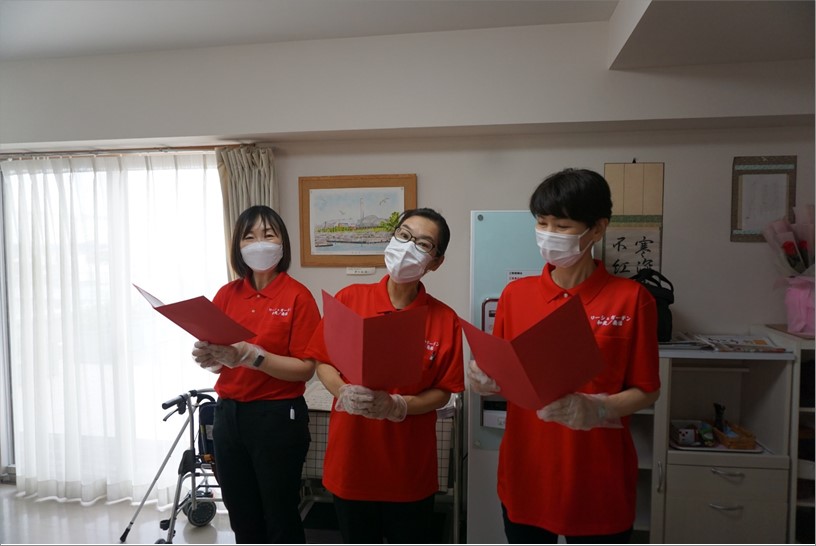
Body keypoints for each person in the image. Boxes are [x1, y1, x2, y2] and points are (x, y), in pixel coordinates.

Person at [469, 168, 661, 544]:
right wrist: (483, 378)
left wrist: (599, 408)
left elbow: (648, 390)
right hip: (527, 472)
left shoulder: (631, 299)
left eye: (562, 225)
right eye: (542, 223)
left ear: (598, 228)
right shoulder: (515, 295)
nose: (549, 234)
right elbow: (506, 374)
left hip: (597, 478)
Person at [305, 207, 465, 544]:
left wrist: (399, 406)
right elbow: (323, 362)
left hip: (408, 470)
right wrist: (342, 390)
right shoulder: (350, 299)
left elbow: (444, 391)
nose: (408, 247)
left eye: (423, 244)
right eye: (404, 235)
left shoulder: (444, 318)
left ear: (436, 262)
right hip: (352, 462)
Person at [191, 205, 320, 544]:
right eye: (249, 236)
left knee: (279, 516)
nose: (259, 243)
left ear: (282, 243)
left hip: (277, 417)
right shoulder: (226, 294)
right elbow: (221, 356)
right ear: (238, 246)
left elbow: (306, 368)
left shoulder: (298, 296)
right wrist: (210, 358)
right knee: (241, 515)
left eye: (268, 234)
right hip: (228, 415)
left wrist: (252, 357)